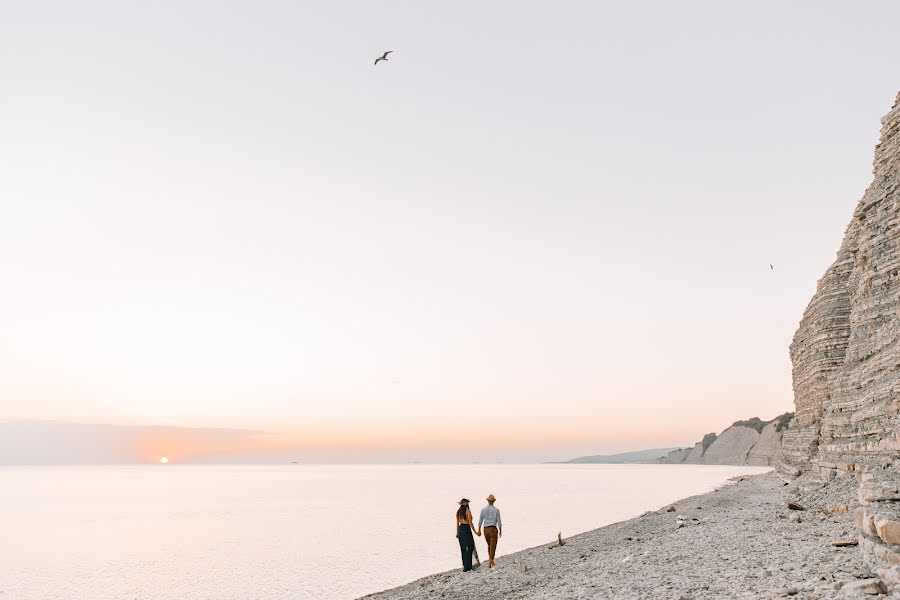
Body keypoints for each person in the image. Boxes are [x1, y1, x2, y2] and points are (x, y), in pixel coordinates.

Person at [477, 494, 502, 568]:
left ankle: (491, 561)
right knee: (493, 546)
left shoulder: (483, 509)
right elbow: (499, 521)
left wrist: (479, 530)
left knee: (489, 545)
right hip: (493, 529)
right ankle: (490, 562)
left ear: (488, 501)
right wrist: (500, 530)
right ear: (493, 501)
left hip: (485, 529)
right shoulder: (496, 510)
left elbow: (480, 520)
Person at [455, 498, 480, 572]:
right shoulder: (467, 511)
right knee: (470, 546)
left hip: (460, 529)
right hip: (466, 529)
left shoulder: (458, 512)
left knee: (463, 548)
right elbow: (470, 523)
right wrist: (476, 532)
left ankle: (465, 565)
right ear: (466, 504)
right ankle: (469, 566)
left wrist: (457, 532)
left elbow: (457, 523)